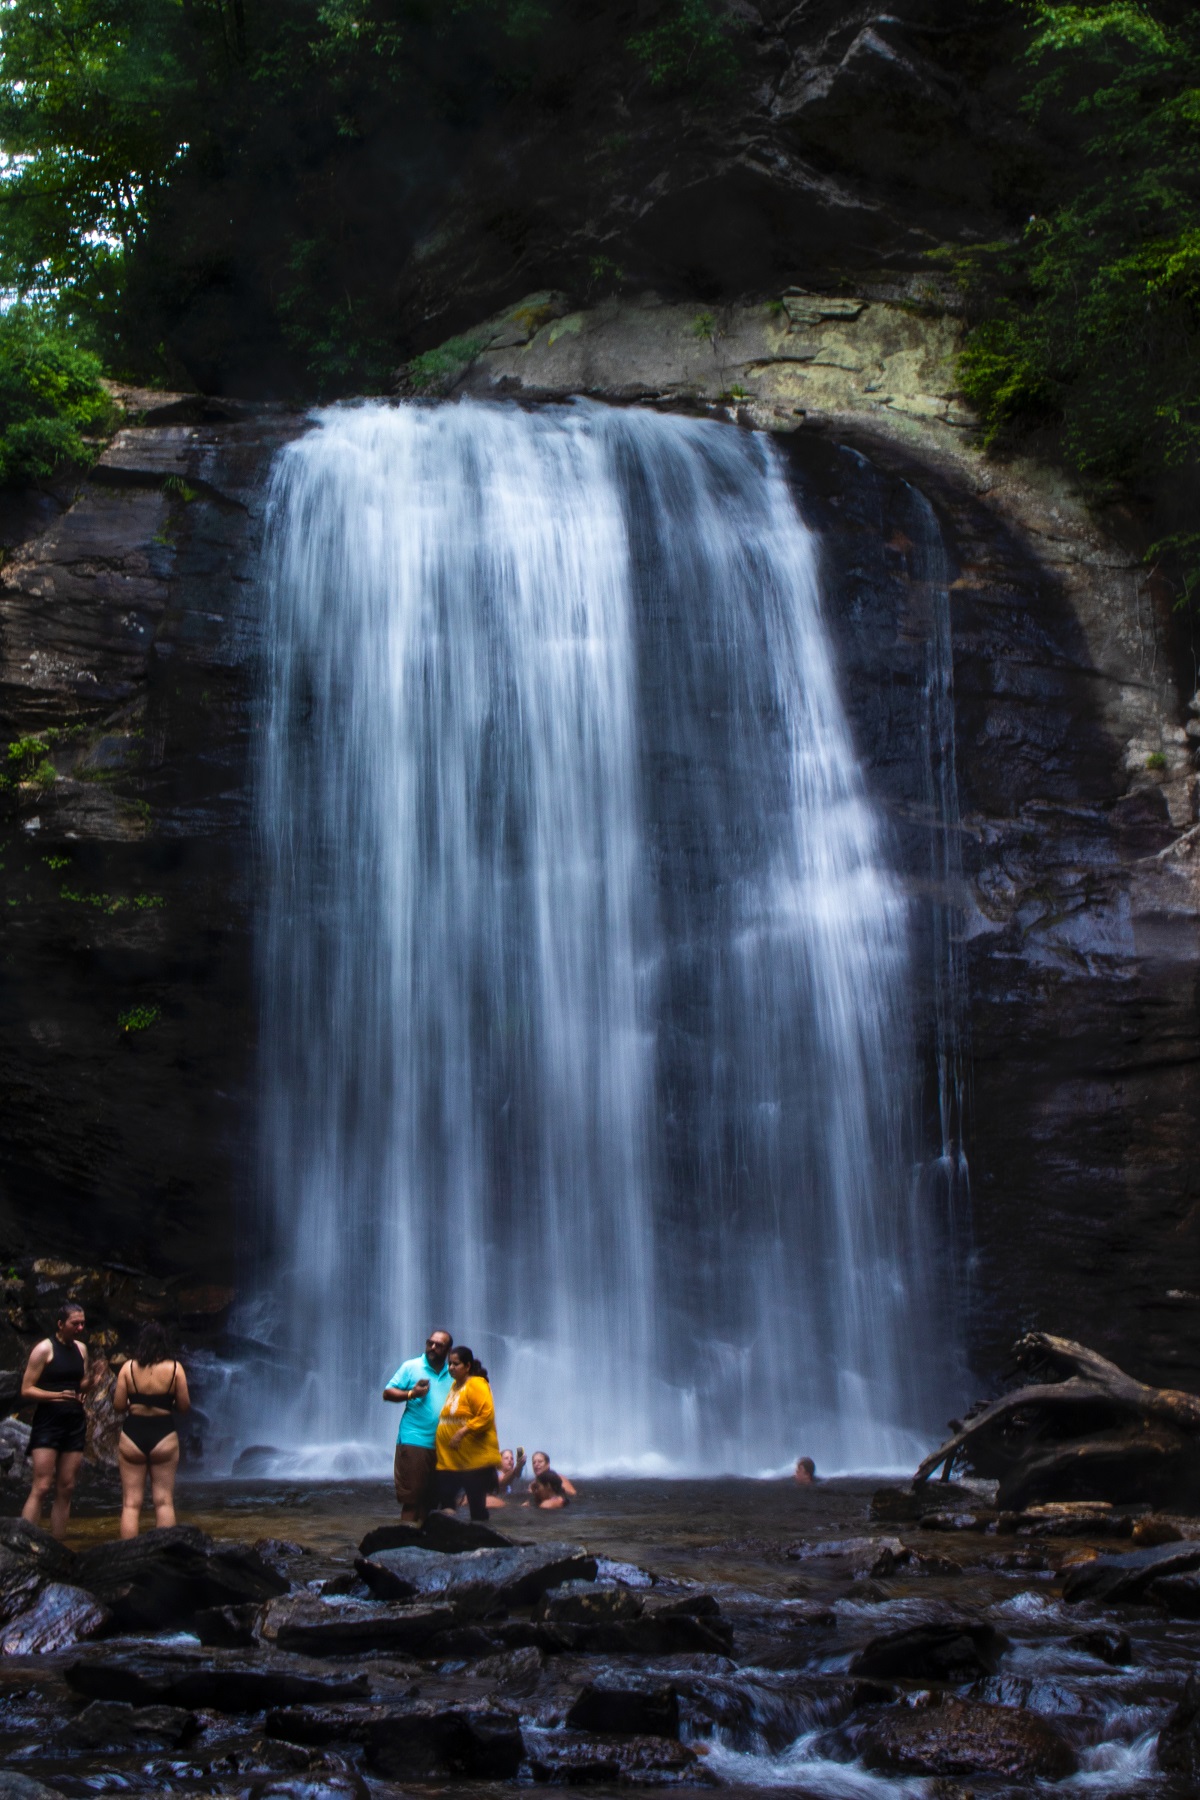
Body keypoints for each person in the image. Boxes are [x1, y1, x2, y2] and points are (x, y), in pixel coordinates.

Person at [21, 1300, 103, 1539]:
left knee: (66, 1487)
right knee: (43, 1485)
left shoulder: (81, 1349)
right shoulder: (44, 1349)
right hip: (48, 1422)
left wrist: (94, 1379)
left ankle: (57, 1543)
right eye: (74, 1324)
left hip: (74, 1422)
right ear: (60, 1324)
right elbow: (26, 1389)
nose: (80, 1328)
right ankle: (24, 1543)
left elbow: (80, 1385)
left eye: (82, 1324)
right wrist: (55, 1396)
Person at [113, 1323, 192, 1538]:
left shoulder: (127, 1368)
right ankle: (165, 1555)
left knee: (131, 1503)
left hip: (133, 1434)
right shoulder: (175, 1369)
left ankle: (128, 1555)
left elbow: (119, 1406)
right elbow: (185, 1407)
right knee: (164, 1501)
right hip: (164, 1434)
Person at [384, 1329, 454, 1523]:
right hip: (414, 1440)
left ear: (448, 1350)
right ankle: (405, 1543)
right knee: (412, 1500)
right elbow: (387, 1393)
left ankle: (422, 1545)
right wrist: (411, 1394)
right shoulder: (411, 1367)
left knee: (431, 1502)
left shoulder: (453, 1372)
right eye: (429, 1343)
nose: (432, 1347)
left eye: (438, 1345)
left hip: (442, 1445)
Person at [433, 1345, 500, 1522]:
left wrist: (462, 1432)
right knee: (446, 1500)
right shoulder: (456, 1386)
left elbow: (486, 1415)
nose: (451, 1368)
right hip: (450, 1460)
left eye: (456, 1364)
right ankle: (448, 1537)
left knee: (476, 1507)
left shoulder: (477, 1384)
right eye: (449, 1364)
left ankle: (482, 1540)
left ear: (468, 1366)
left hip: (473, 1461)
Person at [485, 1445, 527, 1510]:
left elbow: (514, 1474)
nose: (510, 1460)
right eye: (506, 1458)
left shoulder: (513, 1477)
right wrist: (518, 1466)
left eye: (512, 1458)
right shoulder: (494, 1474)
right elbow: (502, 1481)